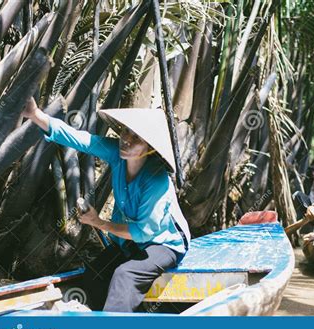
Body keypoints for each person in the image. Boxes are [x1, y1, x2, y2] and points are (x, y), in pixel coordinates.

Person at [22, 98, 190, 313]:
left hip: (163, 244)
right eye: (125, 132)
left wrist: (99, 223)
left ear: (149, 148)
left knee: (125, 275)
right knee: (95, 272)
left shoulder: (156, 180)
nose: (126, 140)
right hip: (132, 243)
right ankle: (107, 317)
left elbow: (143, 232)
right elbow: (81, 139)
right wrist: (36, 114)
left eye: (136, 137)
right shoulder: (117, 155)